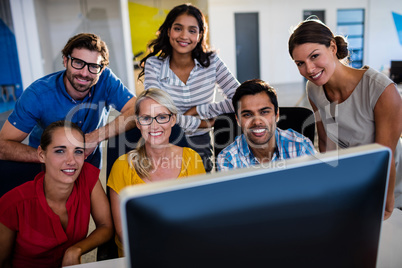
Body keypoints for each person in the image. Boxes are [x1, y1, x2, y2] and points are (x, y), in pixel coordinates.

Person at [288, 18, 402, 220]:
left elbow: (385, 159)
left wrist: (385, 206)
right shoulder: (314, 89)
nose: (310, 69)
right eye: (300, 63)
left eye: (315, 56)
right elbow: (325, 144)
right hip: (357, 177)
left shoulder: (382, 90)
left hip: (391, 183)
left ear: (332, 47)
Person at [0, 33, 136, 169]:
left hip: (87, 171)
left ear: (102, 70)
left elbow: (138, 110)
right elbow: (3, 146)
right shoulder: (37, 94)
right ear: (65, 61)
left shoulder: (106, 80)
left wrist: (94, 137)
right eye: (78, 63)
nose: (84, 73)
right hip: (46, 170)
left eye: (93, 67)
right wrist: (54, 157)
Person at [138, 3, 240, 172]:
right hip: (163, 142)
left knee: (201, 193)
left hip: (200, 145)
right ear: (169, 30)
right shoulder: (154, 65)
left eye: (192, 30)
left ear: (200, 35)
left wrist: (199, 109)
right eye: (178, 28)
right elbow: (156, 113)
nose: (184, 36)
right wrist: (202, 124)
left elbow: (240, 99)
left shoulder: (212, 62)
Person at [0, 121, 113, 267]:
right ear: (41, 154)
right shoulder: (12, 203)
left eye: (78, 151)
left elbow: (106, 225)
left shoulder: (87, 176)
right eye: (60, 151)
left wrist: (76, 250)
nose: (71, 161)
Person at [107, 88, 206, 256]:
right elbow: (123, 233)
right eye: (146, 118)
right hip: (140, 256)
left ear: (172, 120)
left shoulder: (192, 159)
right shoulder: (122, 166)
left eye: (162, 117)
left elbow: (201, 218)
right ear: (138, 123)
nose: (154, 125)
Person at [217, 79, 316, 171]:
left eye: (264, 112)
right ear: (238, 119)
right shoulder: (227, 159)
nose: (257, 122)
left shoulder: (301, 147)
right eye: (247, 114)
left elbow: (317, 187)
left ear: (276, 115)